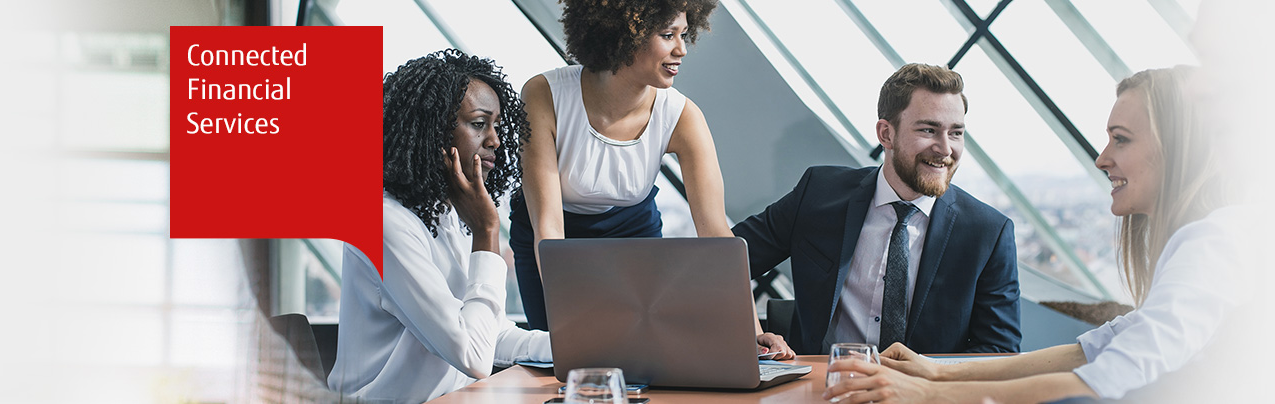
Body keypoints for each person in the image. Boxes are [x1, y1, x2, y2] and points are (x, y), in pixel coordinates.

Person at [821, 66, 1253, 403]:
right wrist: (936, 371)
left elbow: (1105, 381)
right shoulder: (1211, 240)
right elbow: (1090, 352)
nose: (1102, 159)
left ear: (1179, 147)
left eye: (1120, 140)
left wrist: (932, 394)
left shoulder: (1212, 245)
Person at [511, 0, 792, 357]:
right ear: (624, 32)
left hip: (633, 236)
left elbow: (717, 235)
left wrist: (750, 330)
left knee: (645, 358)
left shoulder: (683, 116)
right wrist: (570, 323)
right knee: (561, 356)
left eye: (685, 34)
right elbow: (549, 229)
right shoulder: (543, 95)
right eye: (667, 34)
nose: (682, 49)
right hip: (548, 240)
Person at [732, 63, 1021, 356]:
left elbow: (998, 351)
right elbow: (724, 263)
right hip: (821, 390)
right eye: (929, 130)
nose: (945, 149)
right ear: (886, 134)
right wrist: (753, 334)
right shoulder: (818, 194)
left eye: (956, 133)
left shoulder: (988, 232)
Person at [328, 49, 551, 403]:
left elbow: (491, 334)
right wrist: (487, 232)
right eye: (479, 124)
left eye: (497, 126)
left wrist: (586, 347)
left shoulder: (446, 212)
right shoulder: (383, 223)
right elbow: (474, 355)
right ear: (432, 131)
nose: (494, 140)